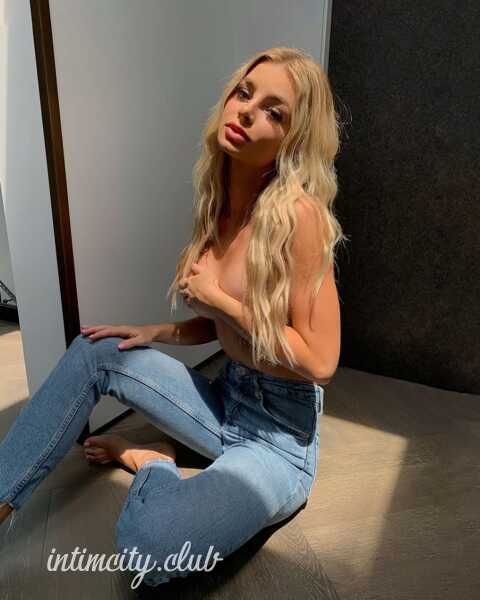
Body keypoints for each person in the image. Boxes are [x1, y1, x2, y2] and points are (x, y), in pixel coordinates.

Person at [0, 46, 345, 588]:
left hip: (277, 442)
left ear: (292, 140)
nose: (247, 111)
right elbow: (225, 324)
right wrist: (155, 333)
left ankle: (154, 461)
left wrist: (221, 301)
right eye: (245, 93)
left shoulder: (301, 217)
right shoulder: (218, 203)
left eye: (274, 112)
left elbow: (320, 361)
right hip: (226, 399)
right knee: (98, 350)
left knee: (152, 549)